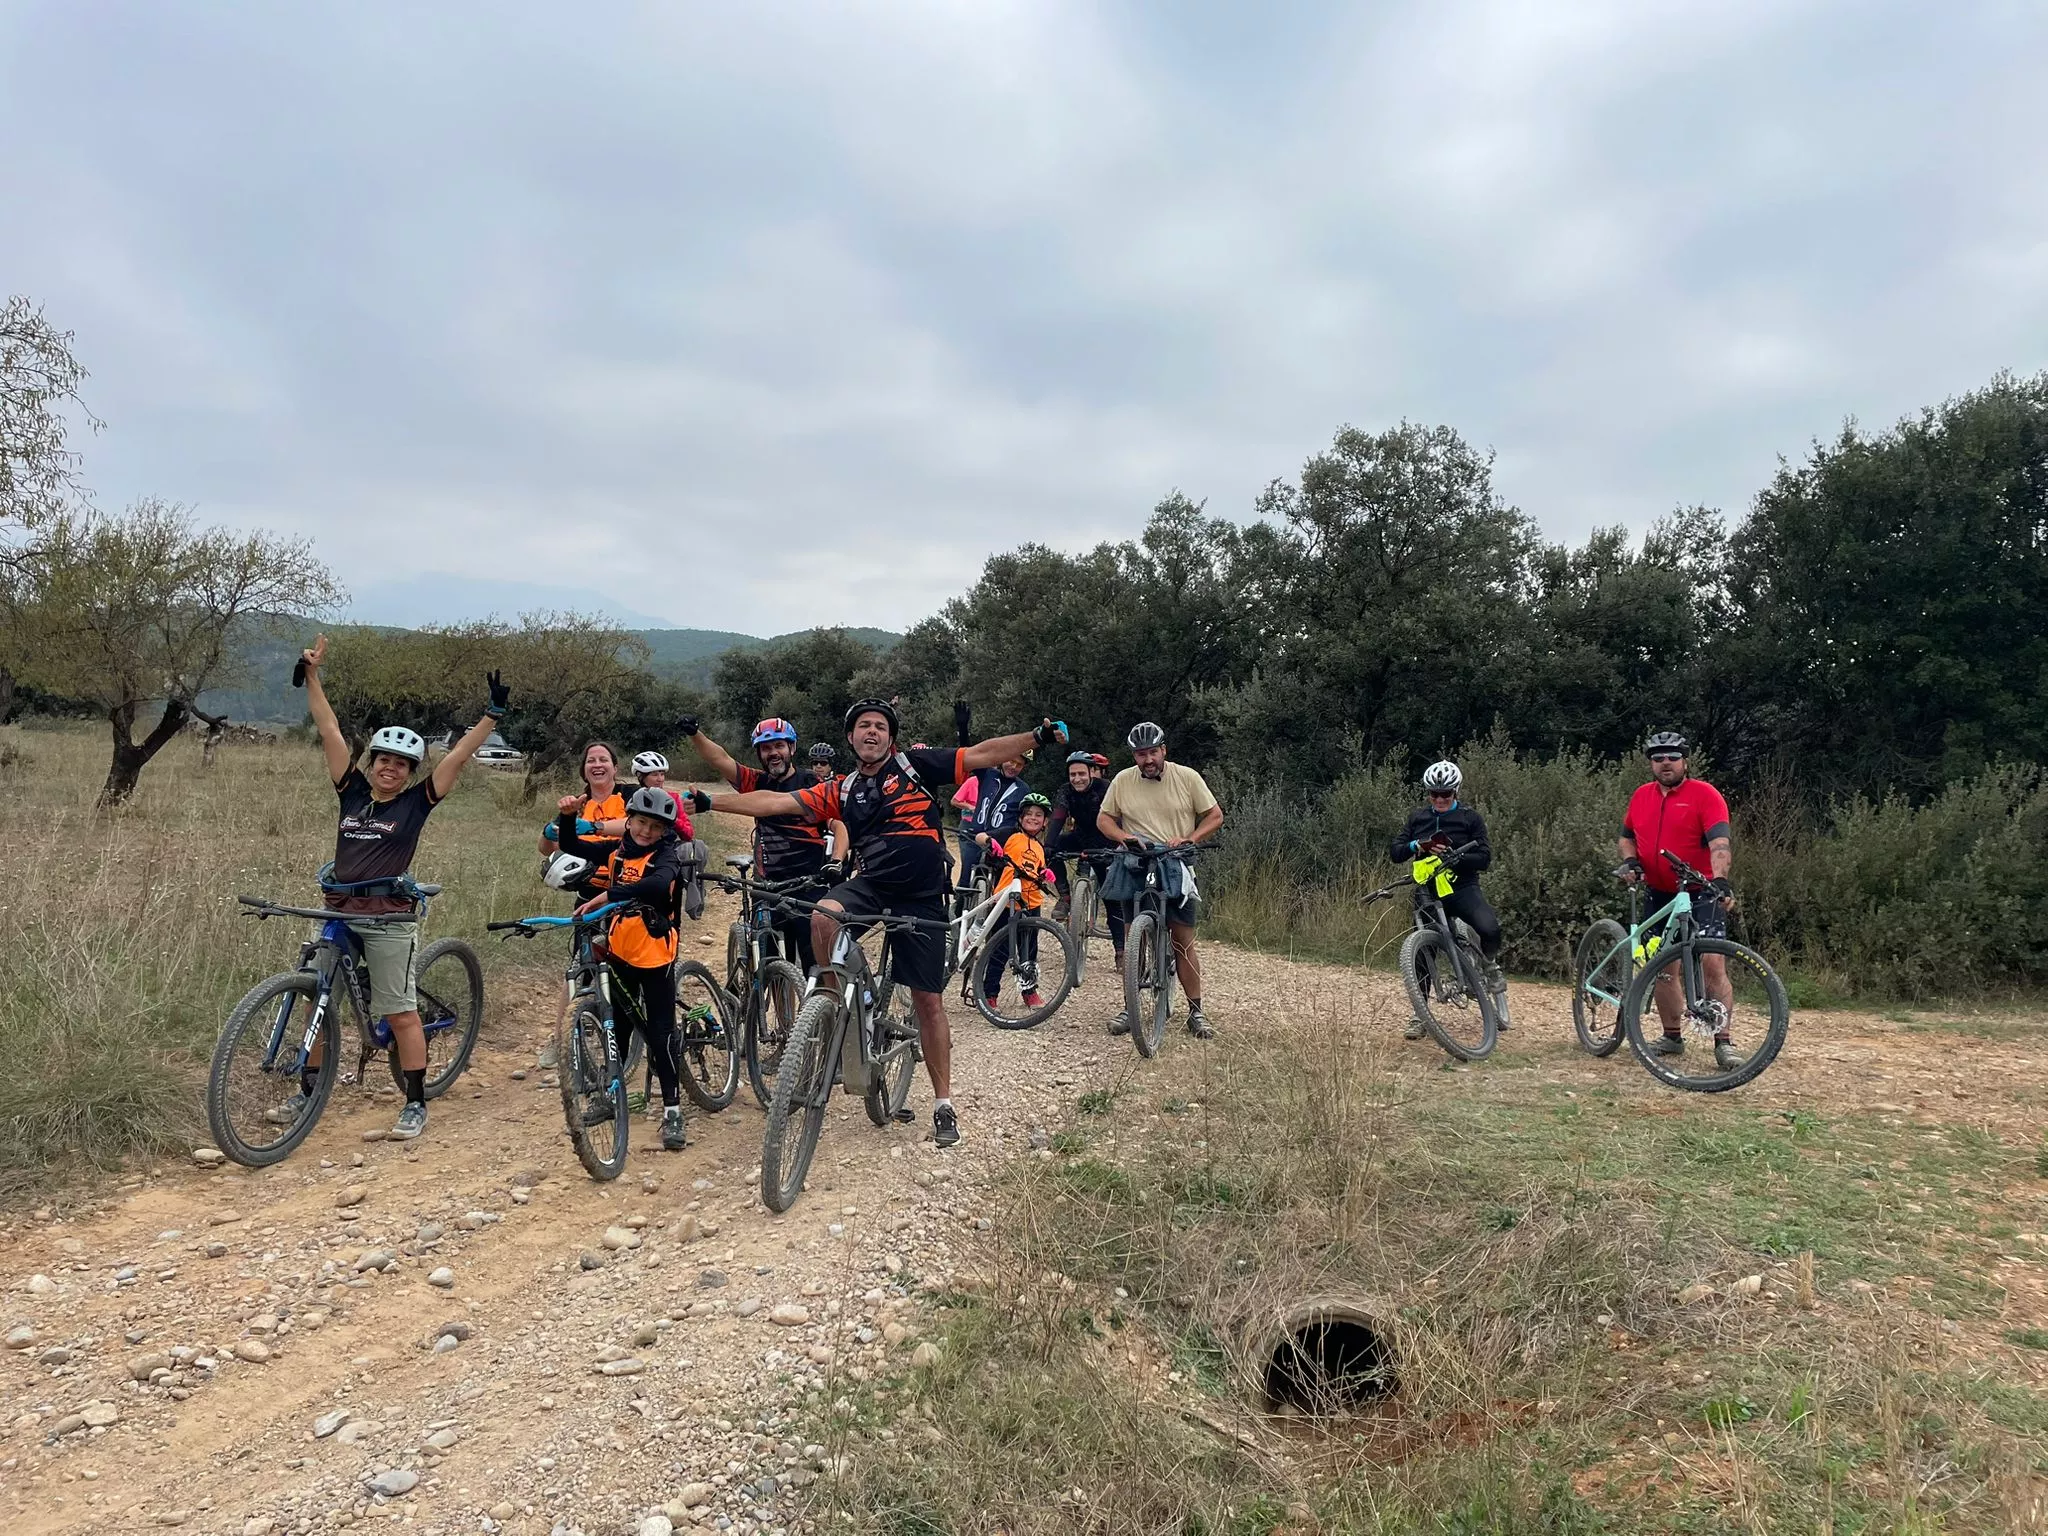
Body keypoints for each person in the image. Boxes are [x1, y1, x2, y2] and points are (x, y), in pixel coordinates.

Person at [692, 698, 1067, 1149]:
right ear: (851, 738)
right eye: (863, 726)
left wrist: (1037, 738)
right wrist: (706, 801)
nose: (871, 732)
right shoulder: (842, 789)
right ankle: (837, 1006)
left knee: (928, 1001)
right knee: (822, 916)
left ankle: (942, 1103)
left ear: (890, 737)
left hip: (925, 894)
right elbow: (773, 802)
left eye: (879, 726)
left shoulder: (915, 767)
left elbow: (983, 753)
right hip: (872, 884)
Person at [295, 634, 505, 1140]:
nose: (389, 768)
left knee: (400, 1011)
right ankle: (305, 1095)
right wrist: (313, 677)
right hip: (340, 912)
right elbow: (330, 731)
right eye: (383, 760)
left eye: (400, 764)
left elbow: (454, 758)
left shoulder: (416, 803)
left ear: (410, 773)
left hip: (388, 917)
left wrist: (492, 717)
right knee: (315, 999)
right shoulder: (351, 793)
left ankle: (414, 1102)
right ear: (372, 765)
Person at [555, 785, 692, 1150]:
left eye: (655, 827)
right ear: (628, 821)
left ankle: (673, 1111)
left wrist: (607, 895)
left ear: (665, 832)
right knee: (619, 1023)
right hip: (620, 950)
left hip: (655, 953)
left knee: (662, 1036)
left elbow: (658, 885)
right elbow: (573, 846)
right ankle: (608, 1095)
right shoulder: (618, 851)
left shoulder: (667, 857)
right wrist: (567, 817)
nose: (646, 831)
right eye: (641, 823)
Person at [681, 715, 845, 971]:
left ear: (792, 748)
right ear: (759, 753)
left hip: (808, 884)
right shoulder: (756, 781)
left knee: (817, 968)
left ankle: (816, 1009)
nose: (773, 753)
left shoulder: (811, 782)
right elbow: (720, 759)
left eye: (779, 746)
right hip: (767, 885)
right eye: (766, 748)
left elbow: (839, 826)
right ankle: (771, 1006)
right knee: (765, 968)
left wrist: (836, 861)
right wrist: (695, 733)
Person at [1618, 730, 1742, 1069]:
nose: (1665, 763)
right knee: (1662, 968)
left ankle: (1724, 1041)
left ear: (1685, 760)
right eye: (1658, 758)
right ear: (1651, 764)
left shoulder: (1705, 794)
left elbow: (1719, 843)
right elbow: (1627, 836)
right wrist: (1630, 861)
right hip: (1659, 893)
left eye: (1672, 757)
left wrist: (1720, 881)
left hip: (1700, 890)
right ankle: (1672, 1036)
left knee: (1713, 964)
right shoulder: (1641, 796)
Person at [1097, 722, 1224, 1039]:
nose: (1148, 759)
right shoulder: (1123, 781)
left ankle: (1196, 1012)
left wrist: (1190, 838)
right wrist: (1124, 837)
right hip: (1136, 861)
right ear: (1134, 756)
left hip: (1175, 861)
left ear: (1164, 750)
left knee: (1183, 940)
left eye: (1153, 752)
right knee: (1132, 939)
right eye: (1141, 754)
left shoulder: (1187, 777)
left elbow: (1215, 815)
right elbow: (1104, 819)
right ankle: (1131, 1008)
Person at [1388, 761, 1508, 1039]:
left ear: (1456, 792)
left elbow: (1485, 858)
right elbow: (1395, 852)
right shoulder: (1418, 818)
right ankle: (1420, 1014)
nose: (1440, 799)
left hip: (1462, 887)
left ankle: (1489, 965)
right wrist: (1417, 845)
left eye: (1446, 794)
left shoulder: (1470, 818)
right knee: (1422, 951)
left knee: (1490, 928)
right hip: (1428, 890)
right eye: (1434, 794)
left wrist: (1457, 857)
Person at [977, 792, 1055, 1011]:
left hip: (1032, 902)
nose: (1033, 818)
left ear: (1045, 821)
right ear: (1020, 818)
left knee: (1029, 950)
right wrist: (991, 842)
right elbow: (980, 836)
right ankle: (989, 994)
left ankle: (1029, 992)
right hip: (1006, 901)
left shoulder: (1040, 847)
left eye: (1038, 815)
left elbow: (1037, 870)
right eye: (1028, 814)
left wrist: (1045, 873)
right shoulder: (1009, 834)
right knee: (1000, 948)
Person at [1047, 749, 1124, 959]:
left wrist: (1119, 845)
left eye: (1081, 774)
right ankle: (1065, 896)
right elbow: (1058, 818)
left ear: (1092, 772)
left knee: (1111, 901)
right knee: (1053, 849)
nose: (1077, 779)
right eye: (1073, 775)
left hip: (1105, 843)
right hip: (1080, 837)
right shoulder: (1065, 791)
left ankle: (1120, 952)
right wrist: (1047, 846)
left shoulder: (1106, 788)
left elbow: (1120, 818)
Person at [540, 743, 628, 899]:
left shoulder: (631, 794)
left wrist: (593, 827)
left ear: (615, 768)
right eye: (591, 761)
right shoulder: (576, 805)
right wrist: (547, 833)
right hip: (588, 893)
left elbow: (638, 825)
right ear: (584, 772)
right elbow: (548, 850)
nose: (597, 764)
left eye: (603, 759)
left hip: (627, 887)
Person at [959, 747, 1034, 888]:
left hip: (1000, 843)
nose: (1014, 767)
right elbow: (969, 755)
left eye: (1019, 765)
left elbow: (1024, 819)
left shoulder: (1023, 789)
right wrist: (963, 727)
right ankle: (959, 907)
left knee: (999, 884)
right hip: (974, 836)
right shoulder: (987, 774)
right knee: (965, 880)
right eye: (1011, 761)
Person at [628, 751, 698, 840]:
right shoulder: (632, 797)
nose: (660, 779)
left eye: (662, 774)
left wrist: (672, 819)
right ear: (641, 776)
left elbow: (688, 834)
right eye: (654, 775)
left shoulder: (673, 798)